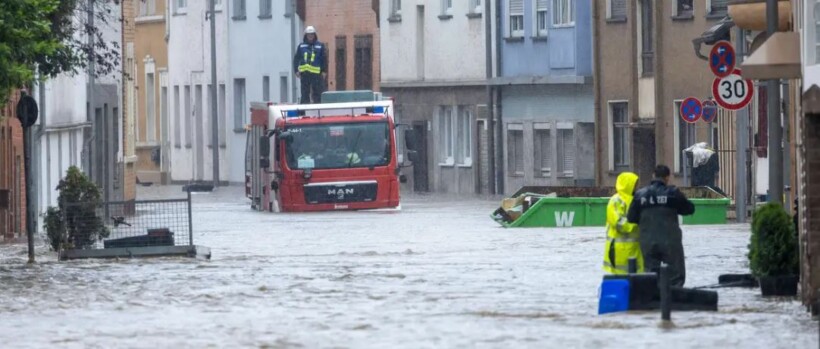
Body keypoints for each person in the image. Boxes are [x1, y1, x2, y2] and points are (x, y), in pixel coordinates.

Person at [627, 165, 695, 287]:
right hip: (670, 241)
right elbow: (689, 209)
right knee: (675, 275)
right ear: (667, 177)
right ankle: (673, 299)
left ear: (653, 175)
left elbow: (631, 218)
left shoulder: (640, 195)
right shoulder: (673, 193)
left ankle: (653, 299)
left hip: (647, 241)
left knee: (650, 273)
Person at [603, 172, 643, 275]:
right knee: (620, 280)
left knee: (637, 279)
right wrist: (636, 226)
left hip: (635, 249)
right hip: (618, 250)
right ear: (628, 184)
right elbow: (618, 222)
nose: (636, 187)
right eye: (635, 184)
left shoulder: (636, 199)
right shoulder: (616, 201)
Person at [293, 26, 328, 104]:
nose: (310, 36)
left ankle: (317, 110)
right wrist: (296, 70)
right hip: (305, 74)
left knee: (317, 94)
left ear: (314, 35)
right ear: (306, 35)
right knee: (305, 94)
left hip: (316, 75)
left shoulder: (320, 46)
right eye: (309, 35)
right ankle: (304, 111)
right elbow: (296, 59)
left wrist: (324, 71)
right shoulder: (301, 46)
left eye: (312, 34)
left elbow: (324, 59)